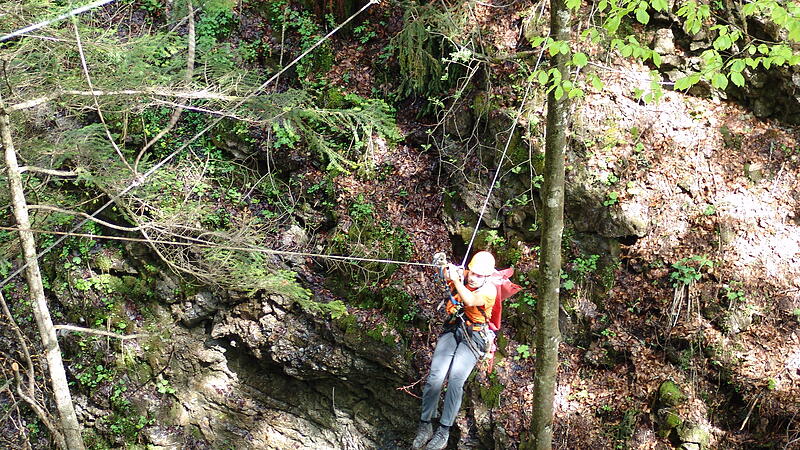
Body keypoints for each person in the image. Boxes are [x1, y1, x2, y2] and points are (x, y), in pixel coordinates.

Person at [412, 251, 497, 450]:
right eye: (472, 273)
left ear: (487, 277)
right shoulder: (464, 275)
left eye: (479, 276)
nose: (474, 278)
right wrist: (443, 266)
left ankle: (443, 430)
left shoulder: (489, 291)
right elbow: (443, 275)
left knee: (456, 380)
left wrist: (458, 280)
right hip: (454, 327)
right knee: (436, 375)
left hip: (474, 337)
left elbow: (469, 300)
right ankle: (425, 425)